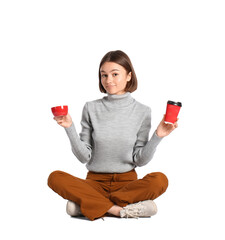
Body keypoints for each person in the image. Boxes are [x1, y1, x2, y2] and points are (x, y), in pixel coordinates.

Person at [47, 50, 178, 221]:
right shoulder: (90, 108)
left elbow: (140, 160)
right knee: (55, 177)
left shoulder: (142, 111)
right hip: (94, 183)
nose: (108, 80)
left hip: (127, 185)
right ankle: (118, 210)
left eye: (115, 74)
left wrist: (158, 136)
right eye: (104, 75)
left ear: (129, 76)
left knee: (160, 180)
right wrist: (69, 127)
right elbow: (83, 157)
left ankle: (90, 205)